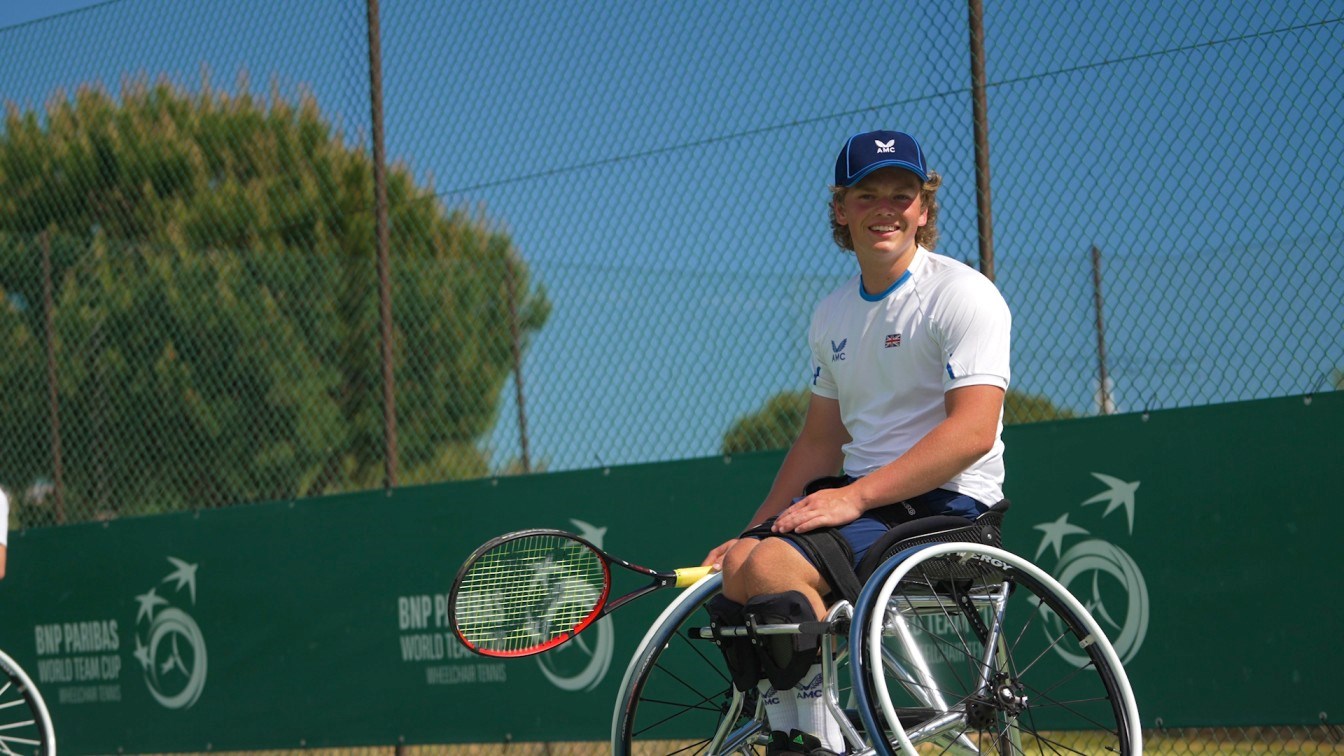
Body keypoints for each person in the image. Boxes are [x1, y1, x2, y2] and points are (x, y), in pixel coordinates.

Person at [700, 130, 1012, 755]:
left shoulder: (963, 294)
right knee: (742, 565)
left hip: (949, 506)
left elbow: (974, 431)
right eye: (867, 195)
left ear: (924, 209)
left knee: (774, 566)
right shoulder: (832, 314)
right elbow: (819, 443)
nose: (886, 209)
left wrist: (855, 497)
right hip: (867, 505)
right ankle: (797, 731)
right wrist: (753, 528)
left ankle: (810, 741)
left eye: (903, 195)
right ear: (841, 209)